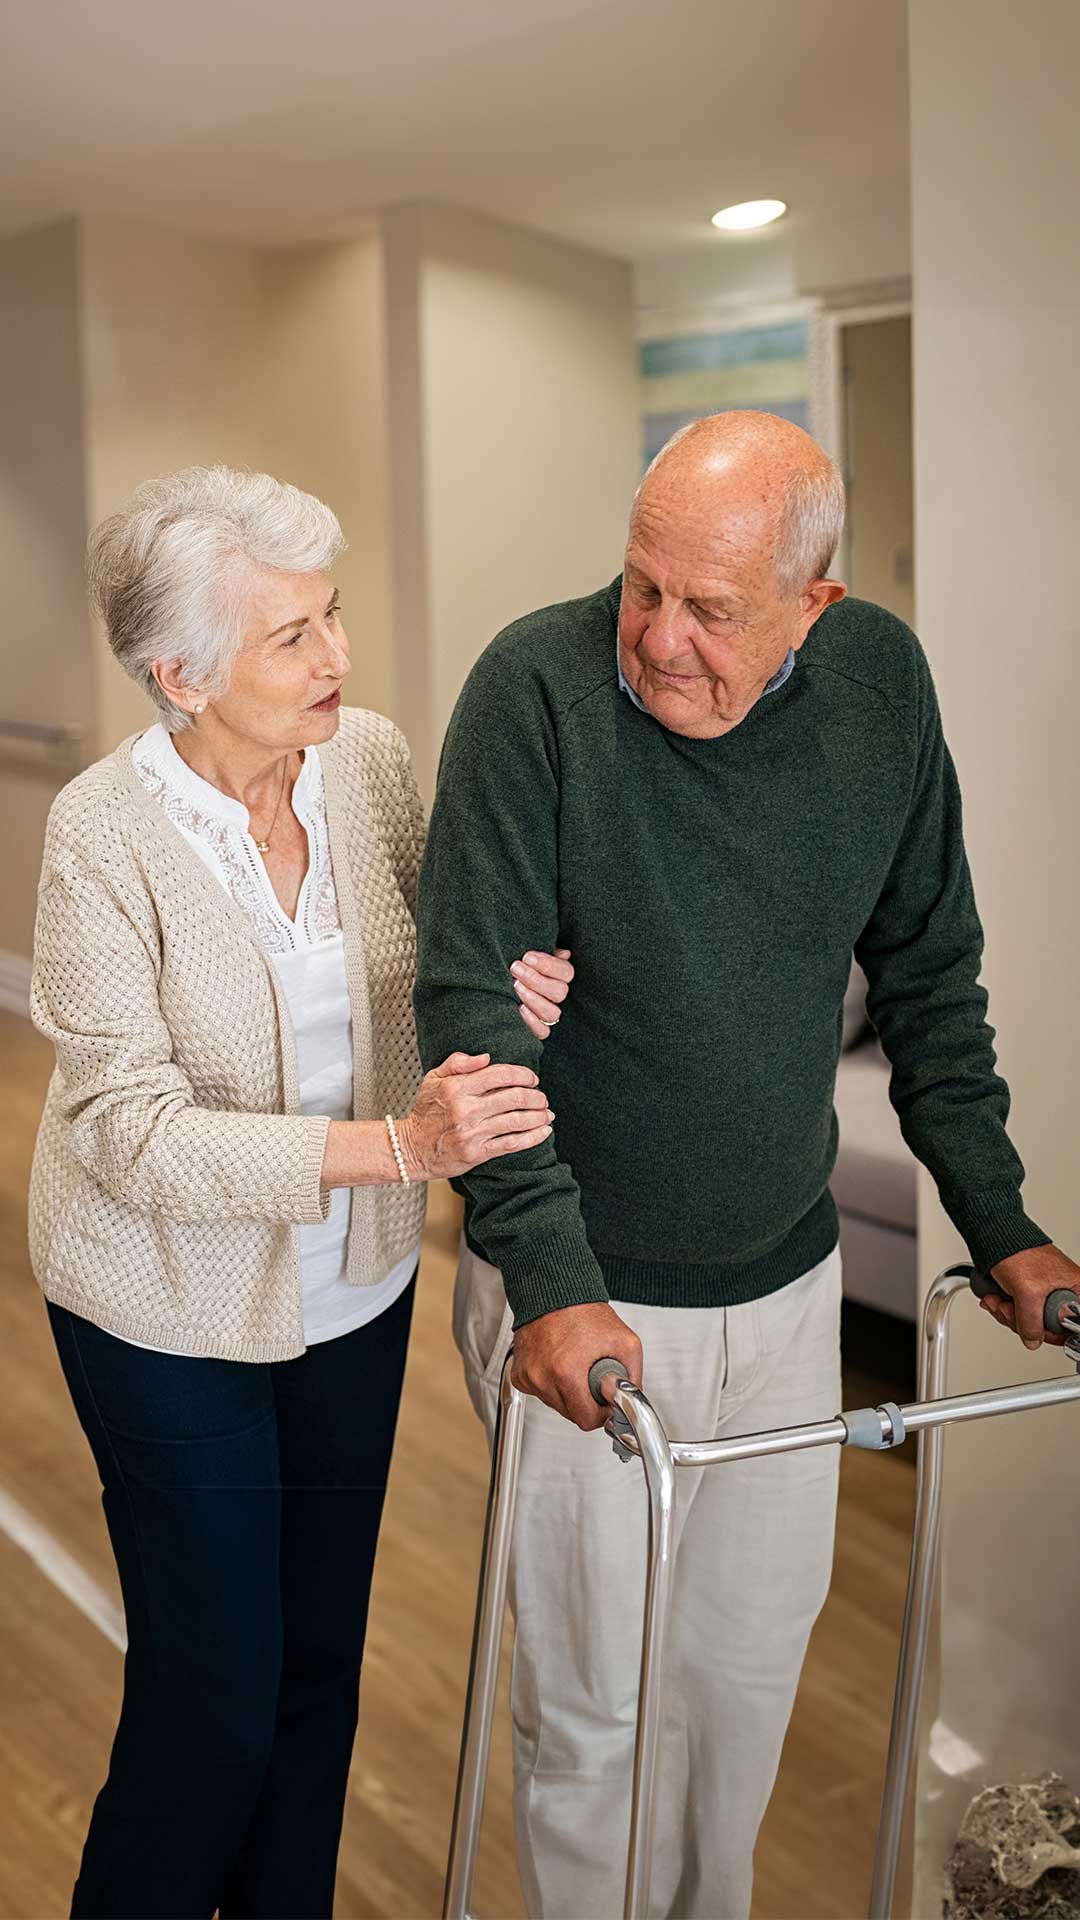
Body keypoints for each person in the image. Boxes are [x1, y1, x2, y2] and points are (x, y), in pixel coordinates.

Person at [413, 411, 1080, 1920]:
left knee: (739, 1689)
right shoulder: (535, 689)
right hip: (582, 1287)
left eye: (710, 610)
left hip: (787, 1290)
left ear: (813, 608)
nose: (657, 639)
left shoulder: (879, 688)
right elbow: (472, 1017)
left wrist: (1002, 1218)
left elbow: (929, 972)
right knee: (590, 1720)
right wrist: (551, 1282)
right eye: (642, 586)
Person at [27, 464, 574, 1920]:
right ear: (180, 672)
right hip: (159, 1307)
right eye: (292, 636)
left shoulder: (371, 761)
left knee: (320, 1674)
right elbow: (131, 1134)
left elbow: (436, 965)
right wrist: (400, 1149)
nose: (337, 656)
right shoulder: (100, 834)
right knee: (211, 1704)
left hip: (360, 1293)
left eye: (333, 617)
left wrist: (507, 992)